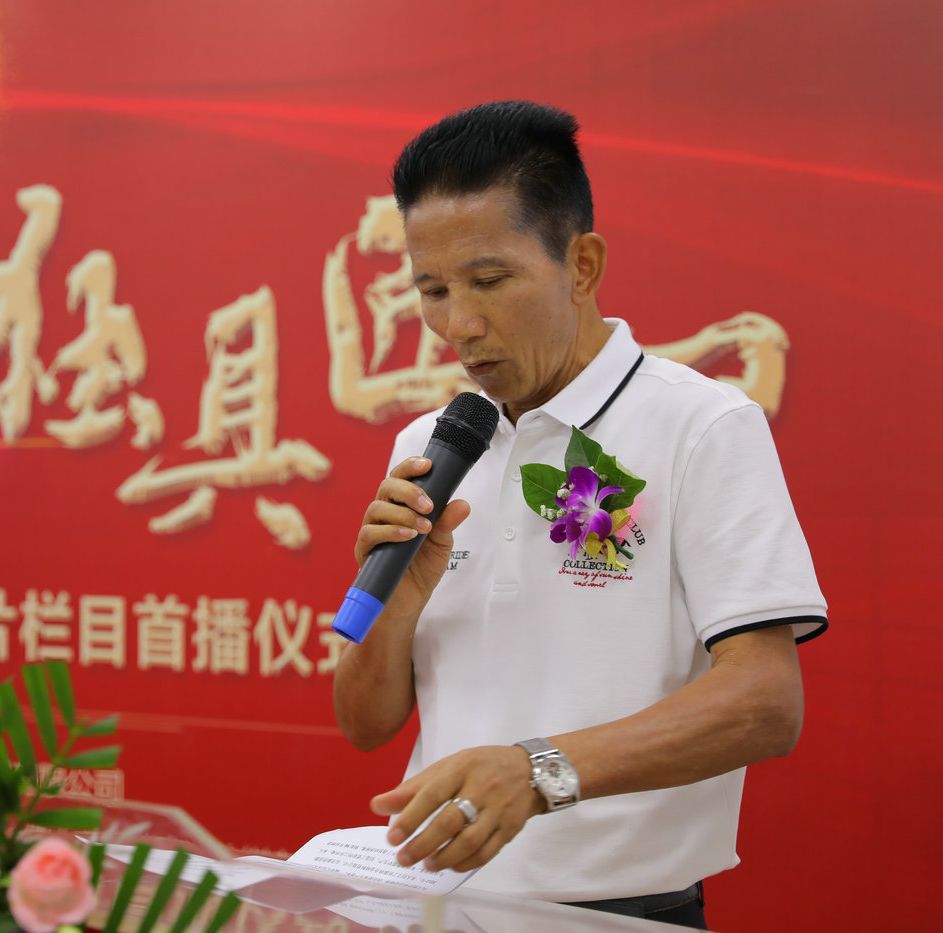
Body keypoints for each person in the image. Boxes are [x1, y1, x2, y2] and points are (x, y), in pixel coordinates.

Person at [332, 101, 827, 929]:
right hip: (434, 906)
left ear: (582, 264)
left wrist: (538, 770)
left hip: (621, 913)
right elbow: (364, 722)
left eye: (489, 281)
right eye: (433, 290)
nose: (459, 325)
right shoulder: (431, 445)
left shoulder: (701, 425)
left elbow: (765, 701)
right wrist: (400, 599)